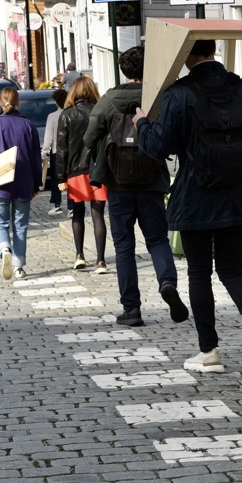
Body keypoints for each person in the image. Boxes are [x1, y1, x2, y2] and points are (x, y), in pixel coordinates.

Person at [135, 39, 242, 376]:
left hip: (195, 196)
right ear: (214, 49)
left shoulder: (179, 93)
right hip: (237, 194)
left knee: (199, 272)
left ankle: (209, 351)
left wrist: (142, 123)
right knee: (232, 269)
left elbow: (158, 146)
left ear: (186, 54)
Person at [85, 46, 189, 327]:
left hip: (118, 183)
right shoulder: (158, 96)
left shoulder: (110, 99)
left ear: (124, 71)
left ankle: (132, 309)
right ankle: (167, 280)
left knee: (123, 246)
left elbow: (89, 134)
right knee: (156, 239)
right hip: (152, 179)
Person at [0, 87, 42, 281]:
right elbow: (35, 157)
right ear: (18, 102)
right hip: (23, 181)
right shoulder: (28, 126)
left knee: (0, 222)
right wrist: (37, 183)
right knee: (21, 224)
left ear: (0, 103)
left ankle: (5, 248)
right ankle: (18, 266)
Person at [56, 76, 108, 274]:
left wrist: (60, 177)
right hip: (98, 170)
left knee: (77, 213)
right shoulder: (100, 112)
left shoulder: (67, 115)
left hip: (75, 171)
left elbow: (62, 150)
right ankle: (101, 261)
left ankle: (79, 255)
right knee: (98, 215)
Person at [42, 88, 68, 216]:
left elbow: (49, 137)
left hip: (56, 153)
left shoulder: (52, 117)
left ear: (56, 102)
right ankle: (72, 204)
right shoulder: (70, 113)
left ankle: (58, 204)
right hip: (70, 152)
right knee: (69, 179)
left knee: (57, 180)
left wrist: (44, 151)